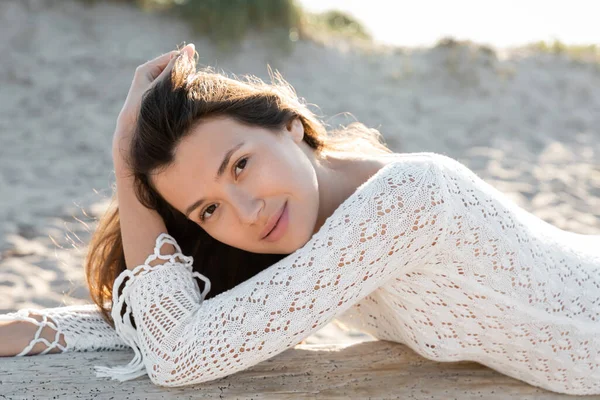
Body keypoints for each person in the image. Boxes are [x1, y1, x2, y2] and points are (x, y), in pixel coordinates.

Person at [1, 43, 599, 395]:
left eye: (239, 166)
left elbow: (179, 353)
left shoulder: (408, 200)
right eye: (207, 209)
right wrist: (34, 329)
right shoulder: (304, 233)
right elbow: (197, 318)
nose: (246, 211)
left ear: (290, 125)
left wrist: (126, 159)